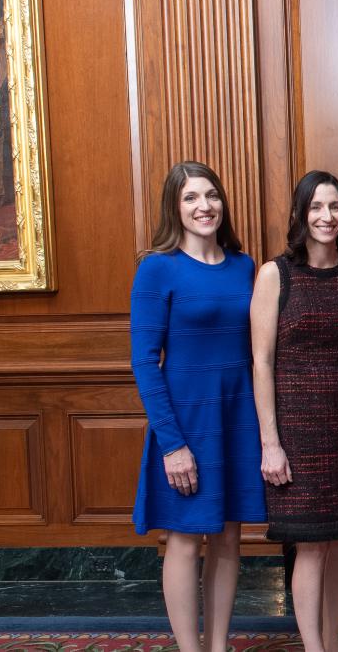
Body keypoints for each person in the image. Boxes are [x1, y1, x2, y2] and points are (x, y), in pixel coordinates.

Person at [130, 161, 266, 652]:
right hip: (186, 422)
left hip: (237, 417)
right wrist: (172, 445)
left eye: (211, 195)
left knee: (228, 536)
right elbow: (144, 362)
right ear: (175, 207)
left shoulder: (244, 266)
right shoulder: (157, 267)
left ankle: (217, 645)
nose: (204, 206)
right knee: (186, 539)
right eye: (190, 198)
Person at [250, 171, 338, 652]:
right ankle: (313, 647)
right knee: (310, 544)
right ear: (300, 214)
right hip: (297, 433)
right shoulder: (275, 274)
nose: (327, 216)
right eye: (317, 207)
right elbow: (261, 362)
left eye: (335, 207)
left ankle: (332, 640)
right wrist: (270, 443)